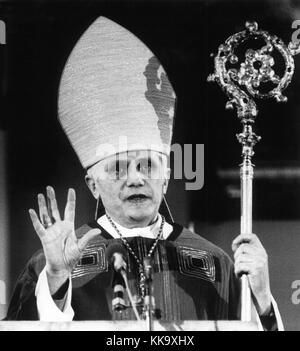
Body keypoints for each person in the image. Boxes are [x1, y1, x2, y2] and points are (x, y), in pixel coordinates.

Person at [5, 16, 283, 330]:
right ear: (92, 185)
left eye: (147, 165)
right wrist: (56, 281)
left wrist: (261, 298)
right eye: (118, 168)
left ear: (166, 176)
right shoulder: (51, 264)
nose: (135, 178)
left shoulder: (213, 263)